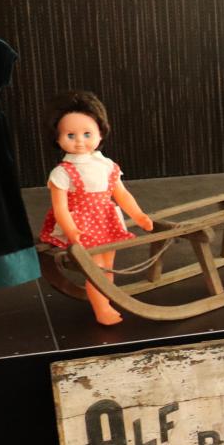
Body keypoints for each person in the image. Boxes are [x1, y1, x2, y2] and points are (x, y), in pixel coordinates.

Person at [38, 91, 153, 325]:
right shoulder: (63, 172)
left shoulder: (106, 165)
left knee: (108, 267)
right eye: (71, 135)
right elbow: (60, 207)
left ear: (101, 133)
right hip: (82, 225)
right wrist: (71, 230)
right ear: (57, 139)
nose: (80, 141)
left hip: (106, 221)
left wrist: (138, 215)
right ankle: (101, 308)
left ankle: (105, 300)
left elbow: (121, 194)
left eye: (87, 133)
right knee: (96, 269)